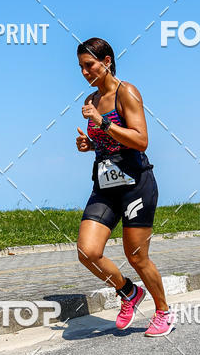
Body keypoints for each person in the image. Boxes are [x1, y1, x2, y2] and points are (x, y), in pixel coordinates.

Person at [75, 37, 174, 337]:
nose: (84, 72)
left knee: (136, 256)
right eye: (80, 67)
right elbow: (109, 143)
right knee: (86, 250)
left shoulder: (126, 92)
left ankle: (164, 312)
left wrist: (102, 124)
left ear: (106, 62)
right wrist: (90, 145)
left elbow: (140, 140)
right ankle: (128, 292)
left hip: (136, 184)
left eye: (89, 65)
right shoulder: (91, 100)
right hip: (105, 184)